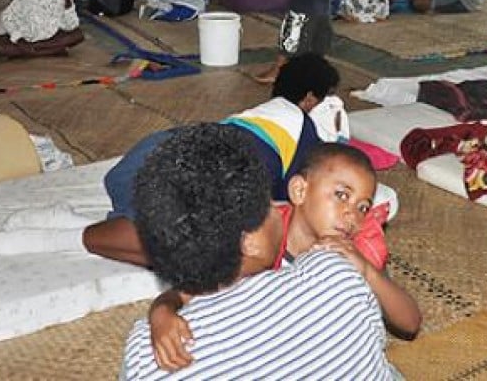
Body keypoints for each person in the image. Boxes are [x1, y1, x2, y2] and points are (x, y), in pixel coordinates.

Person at [121, 125, 395, 380]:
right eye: (265, 205)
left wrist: (160, 311)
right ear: (248, 241)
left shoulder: (143, 357)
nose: (279, 207)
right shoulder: (336, 275)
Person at [83, 53, 336, 266]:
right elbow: (297, 195)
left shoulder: (256, 115)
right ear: (311, 99)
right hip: (185, 172)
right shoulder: (303, 127)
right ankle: (154, 237)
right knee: (228, 252)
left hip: (147, 154)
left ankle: (134, 232)